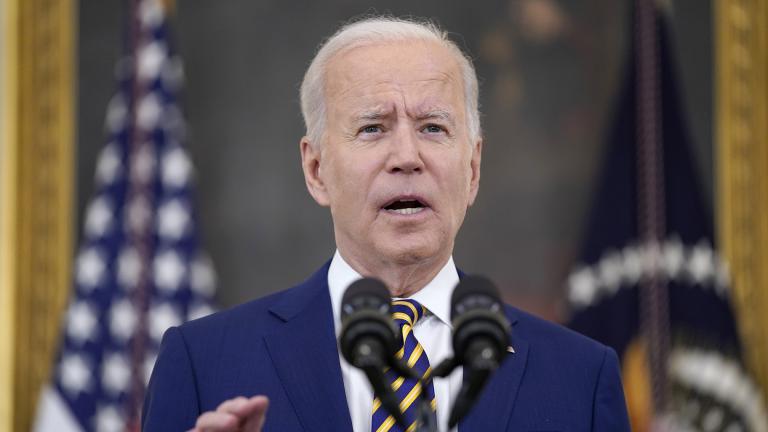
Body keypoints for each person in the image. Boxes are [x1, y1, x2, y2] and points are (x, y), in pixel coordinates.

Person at [142, 16, 630, 432]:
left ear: (473, 170)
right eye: (372, 128)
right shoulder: (203, 363)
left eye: (433, 128)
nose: (406, 157)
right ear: (316, 171)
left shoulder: (580, 379)